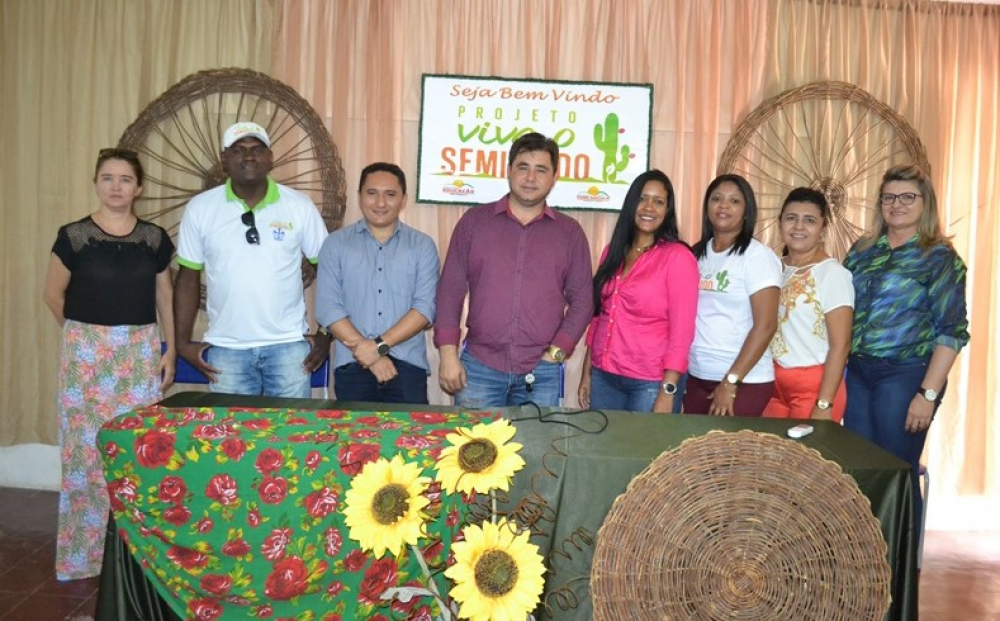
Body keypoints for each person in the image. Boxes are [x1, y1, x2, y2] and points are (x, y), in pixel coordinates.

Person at [42, 148, 175, 580]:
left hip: (139, 355)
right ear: (96, 183)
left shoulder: (154, 239)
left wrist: (170, 349)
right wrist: (85, 338)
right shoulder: (74, 236)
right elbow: (52, 295)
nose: (116, 187)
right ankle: (82, 558)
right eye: (107, 178)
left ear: (139, 188)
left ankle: (137, 561)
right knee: (84, 455)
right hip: (85, 358)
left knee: (137, 450)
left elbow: (164, 297)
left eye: (125, 179)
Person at [843, 164, 969, 535]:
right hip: (858, 372)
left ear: (925, 202)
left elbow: (951, 332)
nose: (897, 204)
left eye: (907, 197)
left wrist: (927, 395)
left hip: (906, 374)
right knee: (860, 471)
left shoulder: (939, 257)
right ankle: (863, 556)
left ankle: (900, 563)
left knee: (896, 471)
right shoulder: (862, 251)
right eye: (889, 197)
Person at [435, 132, 593, 408]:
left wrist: (556, 354)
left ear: (554, 177)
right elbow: (450, 290)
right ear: (508, 171)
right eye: (523, 167)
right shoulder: (474, 223)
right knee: (473, 438)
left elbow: (583, 301)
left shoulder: (570, 233)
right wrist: (448, 355)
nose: (531, 178)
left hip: (541, 373)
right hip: (479, 369)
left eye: (541, 170)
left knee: (537, 439)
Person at [174, 122, 331, 397]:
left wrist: (326, 333)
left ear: (270, 158)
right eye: (238, 150)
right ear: (224, 160)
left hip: (288, 347)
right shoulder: (200, 209)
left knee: (291, 425)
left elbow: (330, 272)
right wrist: (181, 342)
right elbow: (187, 278)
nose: (249, 157)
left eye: (257, 150)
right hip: (226, 350)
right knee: (229, 426)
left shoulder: (299, 206)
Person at [316, 163, 439, 404]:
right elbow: (327, 308)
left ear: (403, 199)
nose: (380, 203)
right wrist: (369, 353)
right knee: (352, 430)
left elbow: (425, 308)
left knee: (409, 430)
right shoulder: (335, 244)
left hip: (407, 366)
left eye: (390, 194)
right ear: (360, 196)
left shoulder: (422, 246)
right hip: (352, 363)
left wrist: (378, 347)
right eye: (372, 193)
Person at [577, 170, 699, 413]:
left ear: (667, 210)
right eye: (642, 199)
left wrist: (668, 391)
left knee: (646, 440)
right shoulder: (613, 251)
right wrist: (587, 371)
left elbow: (682, 332)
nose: (649, 207)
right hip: (604, 376)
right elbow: (599, 317)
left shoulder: (678, 257)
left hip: (650, 383)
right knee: (605, 439)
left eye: (658, 201)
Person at [684, 174, 781, 417]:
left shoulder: (757, 256)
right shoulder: (695, 254)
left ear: (747, 211)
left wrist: (730, 381)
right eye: (716, 198)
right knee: (693, 442)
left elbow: (766, 325)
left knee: (726, 443)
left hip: (744, 381)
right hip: (697, 375)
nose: (724, 206)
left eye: (734, 201)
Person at [763, 188, 854, 423]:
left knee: (806, 448)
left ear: (823, 230)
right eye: (791, 218)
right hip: (771, 383)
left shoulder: (832, 274)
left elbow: (841, 345)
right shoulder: (771, 267)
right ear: (780, 223)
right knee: (766, 446)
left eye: (810, 220)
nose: (799, 226)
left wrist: (824, 404)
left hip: (814, 388)